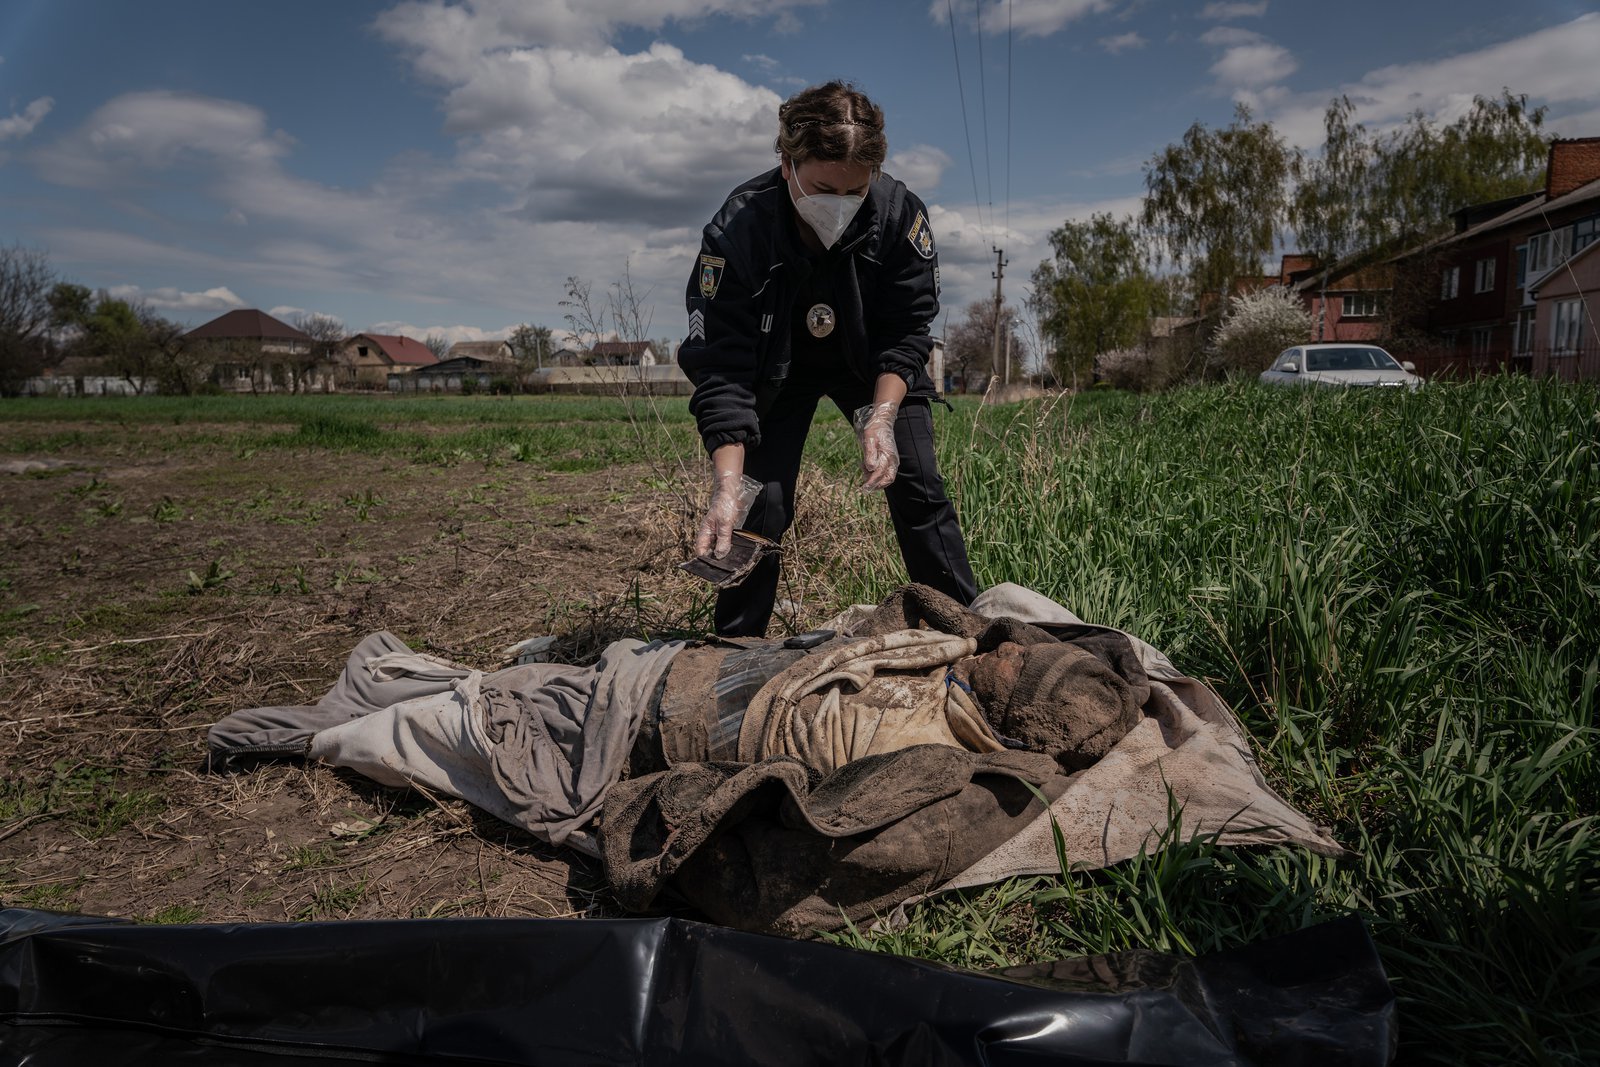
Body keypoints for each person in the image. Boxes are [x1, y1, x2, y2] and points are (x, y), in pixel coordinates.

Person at [678, 80, 978, 637]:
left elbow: (909, 328)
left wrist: (883, 416)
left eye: (855, 192)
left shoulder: (899, 217)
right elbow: (721, 364)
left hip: (871, 366)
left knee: (917, 482)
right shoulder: (738, 230)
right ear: (787, 162)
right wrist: (726, 485)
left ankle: (963, 627)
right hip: (776, 369)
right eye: (821, 188)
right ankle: (732, 648)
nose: (837, 208)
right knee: (756, 503)